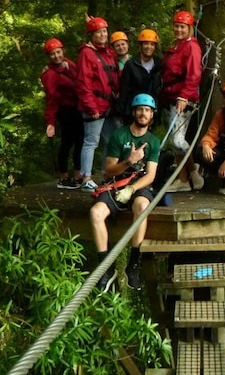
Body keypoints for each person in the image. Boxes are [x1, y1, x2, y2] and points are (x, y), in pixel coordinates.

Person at [91, 94, 160, 291]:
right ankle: (105, 267)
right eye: (140, 109)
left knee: (142, 206)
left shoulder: (153, 141)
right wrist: (129, 162)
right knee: (96, 213)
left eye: (147, 110)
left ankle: (133, 264)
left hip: (139, 186)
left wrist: (132, 189)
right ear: (133, 112)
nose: (143, 113)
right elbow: (109, 170)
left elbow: (151, 175)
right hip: (116, 183)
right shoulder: (119, 136)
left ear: (152, 115)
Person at [74, 16, 120, 192]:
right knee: (91, 141)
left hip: (108, 105)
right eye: (98, 32)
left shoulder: (107, 52)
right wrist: (90, 106)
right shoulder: (87, 54)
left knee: (111, 140)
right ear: (91, 35)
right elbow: (83, 82)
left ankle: (104, 173)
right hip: (94, 105)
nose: (102, 35)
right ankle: (86, 177)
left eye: (104, 31)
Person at [161, 10, 205, 192]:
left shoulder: (191, 47)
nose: (179, 30)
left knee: (178, 140)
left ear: (190, 28)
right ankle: (183, 179)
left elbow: (194, 74)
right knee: (173, 141)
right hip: (170, 97)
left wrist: (184, 96)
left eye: (182, 27)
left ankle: (194, 172)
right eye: (177, 26)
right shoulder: (177, 46)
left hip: (183, 99)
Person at [40, 38, 84, 189]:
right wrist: (50, 122)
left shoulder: (69, 64)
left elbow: (80, 80)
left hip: (77, 108)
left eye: (58, 52)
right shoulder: (50, 74)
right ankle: (63, 176)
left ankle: (78, 174)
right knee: (67, 143)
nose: (56, 56)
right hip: (65, 110)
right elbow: (51, 99)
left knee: (80, 142)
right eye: (52, 54)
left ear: (62, 51)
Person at [117, 28, 163, 126]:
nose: (148, 47)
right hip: (134, 109)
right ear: (141, 45)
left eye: (152, 44)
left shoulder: (159, 64)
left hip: (151, 109)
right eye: (146, 44)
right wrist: (122, 111)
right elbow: (124, 89)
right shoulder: (131, 64)